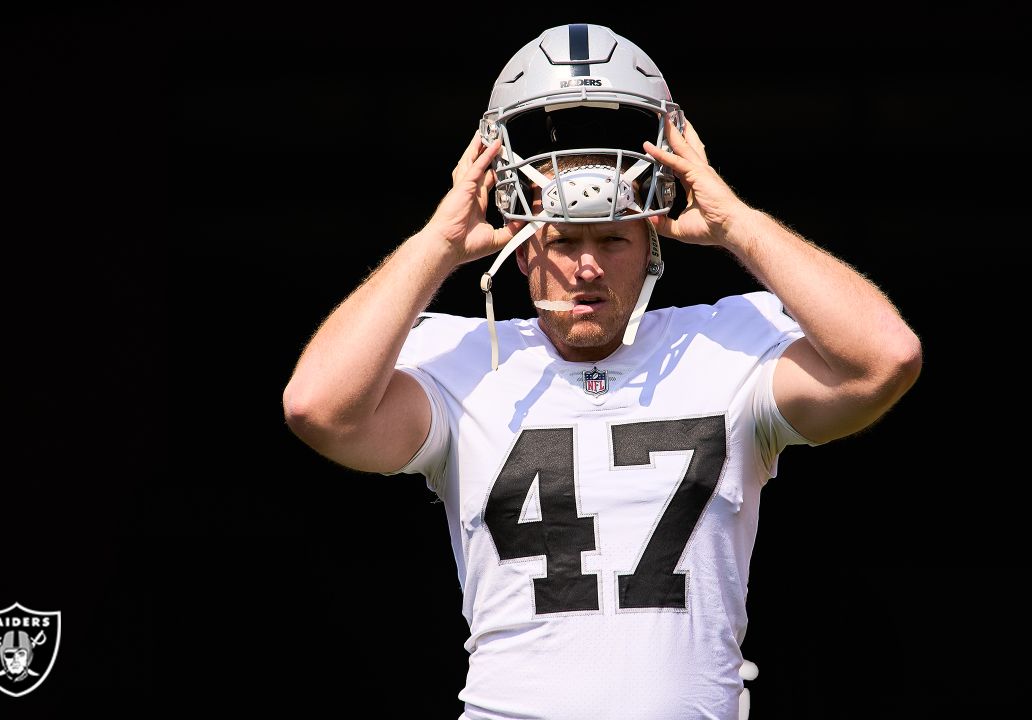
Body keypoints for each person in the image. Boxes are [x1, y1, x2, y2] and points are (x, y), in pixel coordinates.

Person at [283, 23, 921, 720]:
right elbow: (319, 408)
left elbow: (883, 360)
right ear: (523, 250)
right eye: (563, 241)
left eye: (612, 239)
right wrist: (437, 244)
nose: (586, 266)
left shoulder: (725, 348)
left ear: (652, 244)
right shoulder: (468, 361)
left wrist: (738, 222)